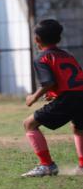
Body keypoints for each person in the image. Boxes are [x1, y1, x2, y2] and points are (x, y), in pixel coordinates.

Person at [22, 19, 83, 177]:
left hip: (69, 97)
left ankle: (46, 165)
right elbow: (71, 78)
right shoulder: (67, 55)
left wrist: (33, 98)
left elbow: (48, 82)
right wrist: (54, 93)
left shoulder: (42, 58)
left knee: (29, 124)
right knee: (79, 128)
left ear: (37, 39)